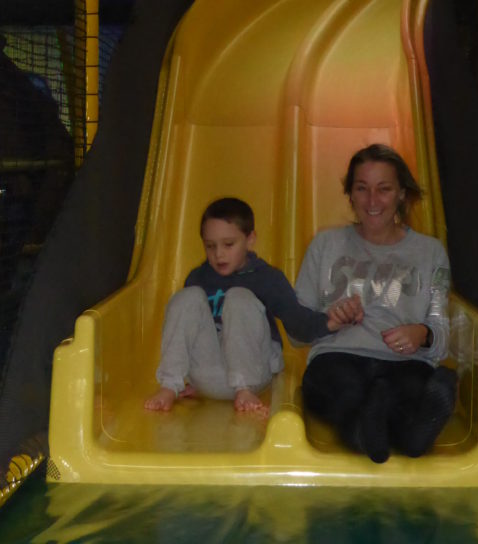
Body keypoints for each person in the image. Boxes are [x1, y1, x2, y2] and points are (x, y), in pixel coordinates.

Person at [295, 143, 457, 462]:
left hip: (404, 363)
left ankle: (388, 425)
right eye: (362, 188)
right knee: (343, 393)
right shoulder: (325, 244)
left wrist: (422, 333)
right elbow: (296, 332)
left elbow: (441, 335)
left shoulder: (430, 252)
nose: (372, 201)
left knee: (402, 389)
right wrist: (329, 321)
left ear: (401, 194)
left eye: (384, 189)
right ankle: (398, 433)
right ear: (350, 194)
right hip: (338, 358)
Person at [145, 197, 363, 414]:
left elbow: (297, 321)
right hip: (208, 375)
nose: (218, 254)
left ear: (250, 240)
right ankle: (169, 385)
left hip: (254, 370)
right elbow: (186, 330)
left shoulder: (266, 278)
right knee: (186, 297)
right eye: (210, 246)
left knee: (239, 297)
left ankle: (244, 388)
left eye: (228, 244)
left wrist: (331, 322)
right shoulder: (198, 277)